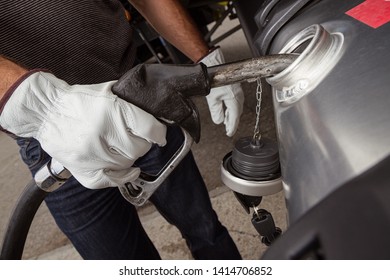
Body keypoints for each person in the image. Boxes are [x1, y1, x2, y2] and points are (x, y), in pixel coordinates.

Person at [0, 0, 244, 259]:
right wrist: (46, 107)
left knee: (205, 230)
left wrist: (205, 59)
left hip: (139, 103)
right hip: (57, 141)